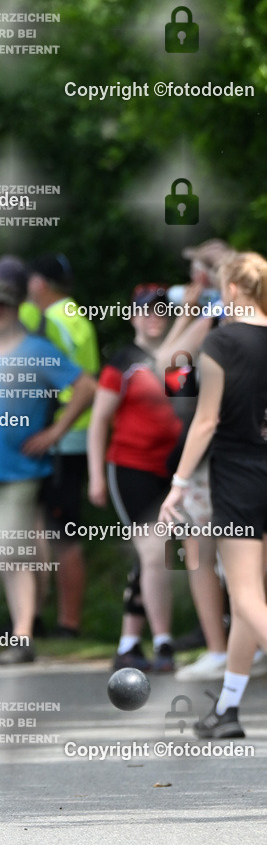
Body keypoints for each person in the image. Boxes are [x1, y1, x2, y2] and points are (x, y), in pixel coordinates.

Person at [0, 265, 96, 666]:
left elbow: (86, 386)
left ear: (15, 308)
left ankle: (22, 636)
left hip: (20, 472)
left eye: (4, 306)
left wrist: (55, 432)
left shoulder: (37, 350)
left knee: (14, 555)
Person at [159, 252, 267, 737]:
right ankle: (228, 709)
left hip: (239, 476)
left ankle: (227, 708)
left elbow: (205, 420)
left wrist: (178, 485)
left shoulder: (223, 341)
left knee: (244, 598)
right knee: (253, 599)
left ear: (231, 291)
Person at [88, 284, 182, 673]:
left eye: (161, 310)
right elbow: (98, 421)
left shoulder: (181, 356)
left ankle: (129, 641)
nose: (153, 316)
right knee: (153, 552)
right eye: (145, 310)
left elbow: (187, 410)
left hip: (175, 470)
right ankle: (163, 643)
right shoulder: (123, 362)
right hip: (130, 467)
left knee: (166, 557)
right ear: (132, 316)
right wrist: (95, 476)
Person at [21, 253, 100, 639]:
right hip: (75, 436)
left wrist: (52, 430)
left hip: (63, 436)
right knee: (49, 530)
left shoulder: (51, 320)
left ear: (39, 284)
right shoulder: (76, 315)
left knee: (61, 534)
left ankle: (66, 623)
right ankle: (37, 617)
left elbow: (71, 380)